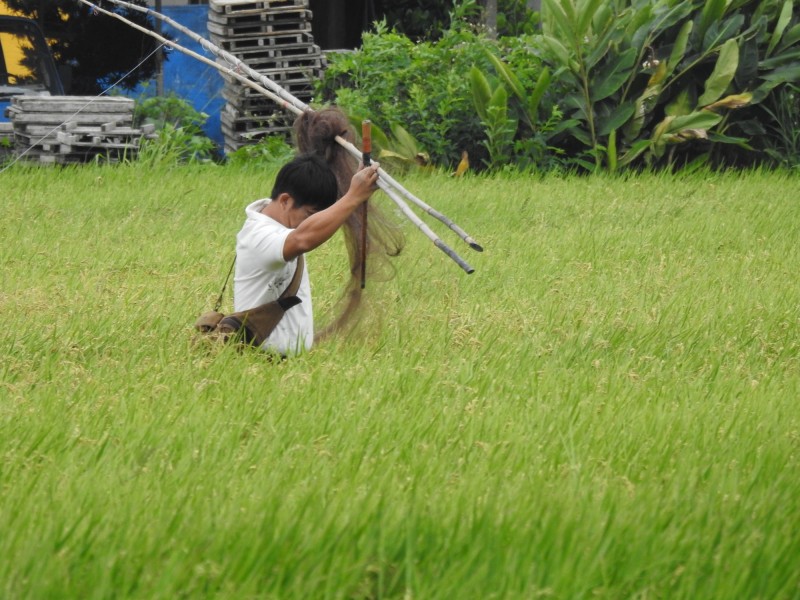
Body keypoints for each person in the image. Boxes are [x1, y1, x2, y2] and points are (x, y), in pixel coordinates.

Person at [233, 153, 380, 356]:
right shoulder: (259, 236)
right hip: (262, 361)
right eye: (310, 214)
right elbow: (302, 240)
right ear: (285, 201)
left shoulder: (277, 225)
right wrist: (353, 196)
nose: (312, 222)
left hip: (288, 366)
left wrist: (354, 191)